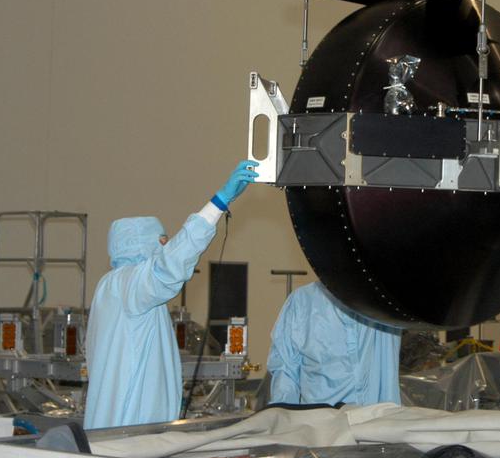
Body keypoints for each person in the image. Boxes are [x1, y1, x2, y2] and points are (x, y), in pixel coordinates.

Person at [84, 160, 257, 430]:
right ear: (142, 244)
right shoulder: (128, 284)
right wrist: (218, 204)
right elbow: (169, 266)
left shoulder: (114, 289)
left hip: (120, 435)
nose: (166, 246)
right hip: (130, 438)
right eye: (162, 241)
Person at [266, 281, 403, 406]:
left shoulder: (385, 301)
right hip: (320, 425)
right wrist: (284, 422)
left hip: (377, 423)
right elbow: (285, 374)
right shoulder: (302, 301)